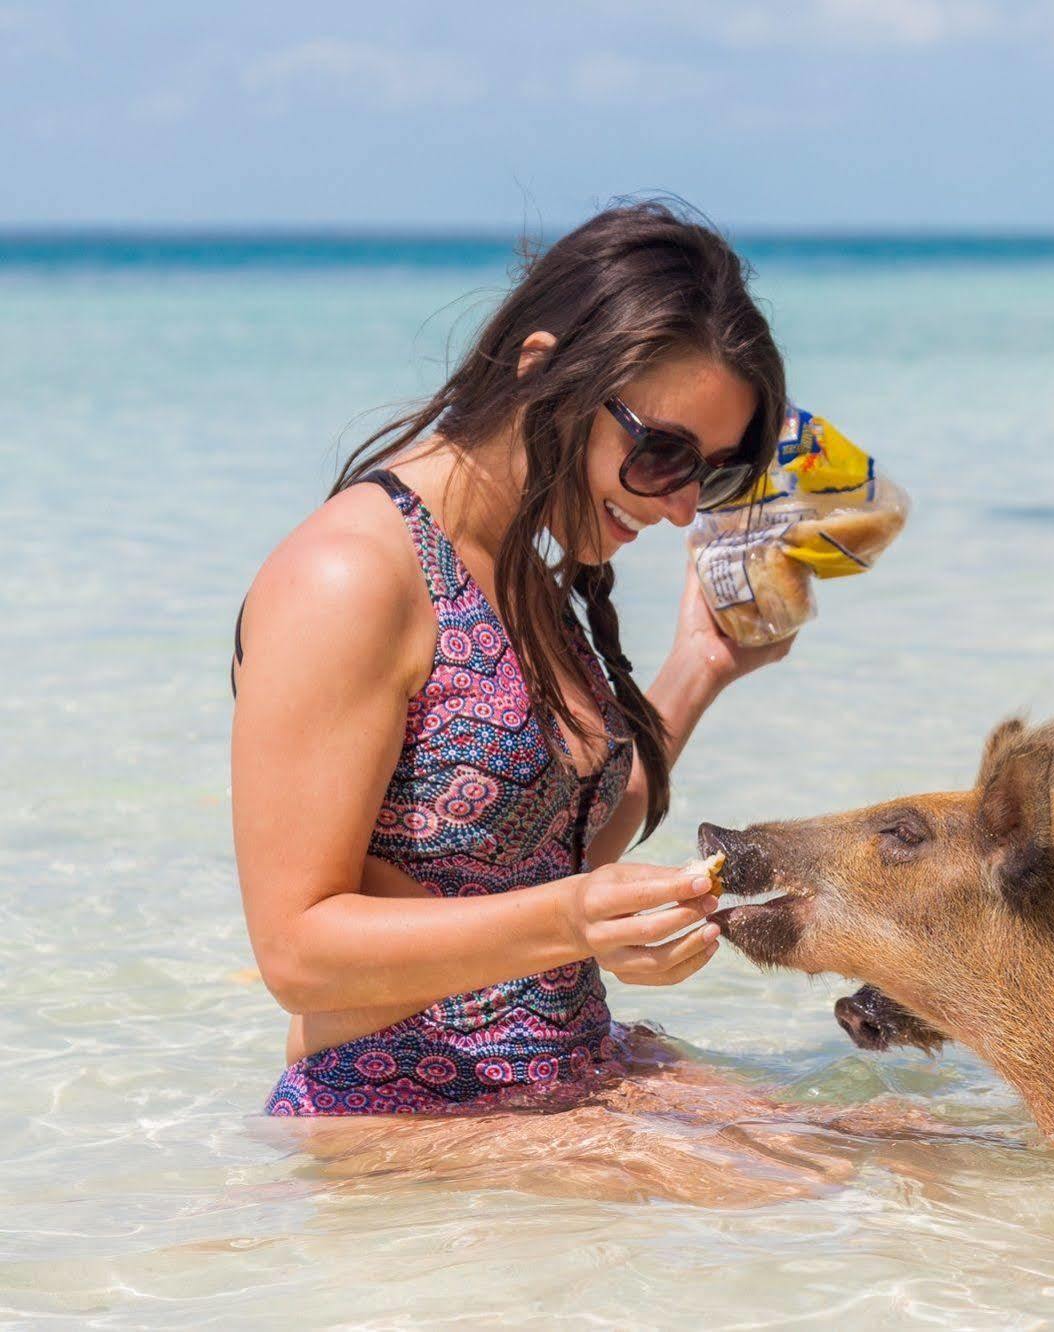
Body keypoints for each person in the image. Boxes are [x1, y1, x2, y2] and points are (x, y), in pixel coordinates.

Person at [231, 200, 792, 1116]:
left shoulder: (517, 572)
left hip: (567, 1085)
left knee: (943, 1147)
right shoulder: (352, 575)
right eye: (661, 454)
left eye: (715, 474)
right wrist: (571, 921)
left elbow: (535, 858)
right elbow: (296, 953)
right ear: (542, 372)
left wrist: (703, 663)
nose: (685, 508)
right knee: (849, 1198)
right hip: (405, 1118)